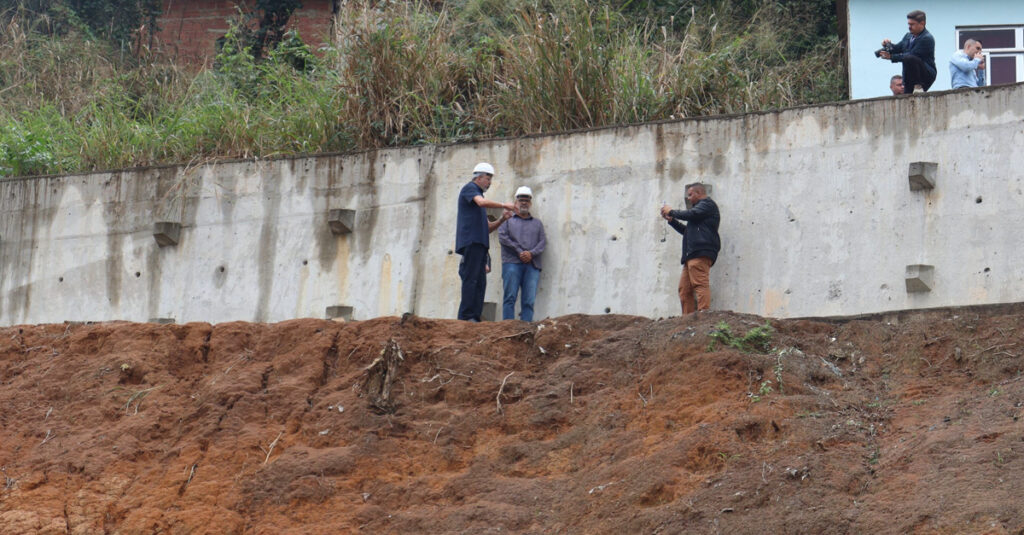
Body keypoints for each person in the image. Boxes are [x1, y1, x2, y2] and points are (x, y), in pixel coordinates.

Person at [455, 163, 515, 321]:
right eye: (488, 179)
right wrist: (504, 204)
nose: (489, 183)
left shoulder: (479, 202)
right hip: (472, 242)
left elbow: (487, 228)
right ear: (479, 177)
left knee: (480, 283)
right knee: (471, 279)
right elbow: (481, 202)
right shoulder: (470, 189)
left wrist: (502, 219)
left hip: (480, 245)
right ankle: (466, 316)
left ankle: (475, 316)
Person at [660, 183, 721, 315]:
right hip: (692, 254)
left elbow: (691, 213)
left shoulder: (707, 204)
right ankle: (687, 320)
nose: (688, 198)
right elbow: (687, 231)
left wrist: (671, 211)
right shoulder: (699, 213)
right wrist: (672, 221)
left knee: (700, 284)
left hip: (700, 252)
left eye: (690, 194)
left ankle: (703, 316)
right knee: (684, 290)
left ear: (699, 193)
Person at [498, 186, 546, 322]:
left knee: (529, 301)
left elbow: (542, 242)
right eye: (521, 200)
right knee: (510, 298)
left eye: (527, 200)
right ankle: (508, 328)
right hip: (511, 263)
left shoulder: (537, 223)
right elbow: (502, 237)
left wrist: (531, 253)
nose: (524, 202)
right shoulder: (507, 220)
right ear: (516, 202)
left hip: (532, 265)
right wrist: (520, 251)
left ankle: (526, 329)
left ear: (530, 203)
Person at [878, 10, 936, 94]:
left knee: (909, 58)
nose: (909, 27)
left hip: (925, 76)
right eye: (909, 24)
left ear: (922, 23)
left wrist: (891, 57)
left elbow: (911, 55)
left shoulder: (927, 38)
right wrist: (888, 45)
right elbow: (898, 48)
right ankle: (915, 87)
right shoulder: (908, 36)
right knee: (907, 96)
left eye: (912, 24)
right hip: (909, 77)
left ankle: (918, 86)